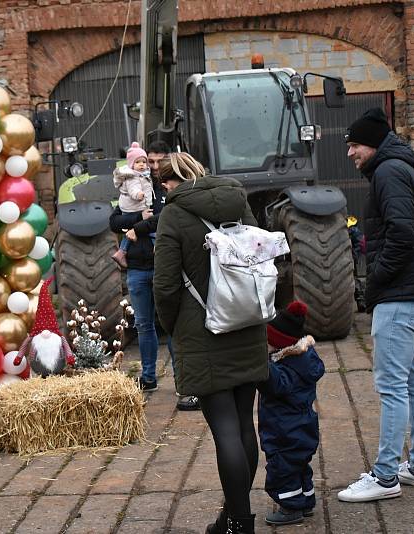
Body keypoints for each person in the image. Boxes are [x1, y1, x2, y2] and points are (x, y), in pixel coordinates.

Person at [154, 152, 268, 534]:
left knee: (223, 428)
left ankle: (240, 522)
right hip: (247, 323)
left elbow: (166, 284)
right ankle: (232, 516)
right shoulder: (239, 200)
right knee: (243, 425)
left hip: (203, 330)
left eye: (163, 184)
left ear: (172, 182)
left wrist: (172, 327)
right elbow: (259, 257)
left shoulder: (174, 212)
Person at [338, 108, 414, 503]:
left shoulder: (388, 173)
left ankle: (384, 477)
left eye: (354, 145)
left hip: (400, 296)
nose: (350, 152)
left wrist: (375, 279)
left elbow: (403, 234)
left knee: (391, 387)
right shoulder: (397, 169)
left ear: (374, 143)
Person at [109, 140, 170, 396]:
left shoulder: (167, 190)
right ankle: (148, 376)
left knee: (171, 325)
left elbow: (165, 219)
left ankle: (185, 382)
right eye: (150, 161)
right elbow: (115, 220)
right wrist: (137, 219)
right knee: (144, 325)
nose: (154, 167)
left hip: (164, 266)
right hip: (137, 268)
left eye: (158, 162)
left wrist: (138, 228)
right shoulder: (131, 185)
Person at [257, 301, 324, 526]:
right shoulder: (304, 360)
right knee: (299, 466)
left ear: (279, 343)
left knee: (282, 470)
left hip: (284, 430)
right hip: (302, 426)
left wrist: (262, 366)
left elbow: (277, 386)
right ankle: (306, 500)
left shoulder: (286, 366)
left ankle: (290, 507)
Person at [111, 142, 154, 269]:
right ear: (131, 164)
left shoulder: (144, 175)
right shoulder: (132, 177)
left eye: (143, 162)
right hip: (134, 208)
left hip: (136, 208)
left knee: (133, 232)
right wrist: (138, 195)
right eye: (138, 162)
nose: (142, 165)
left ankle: (122, 251)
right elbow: (133, 189)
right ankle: (157, 247)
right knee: (152, 231)